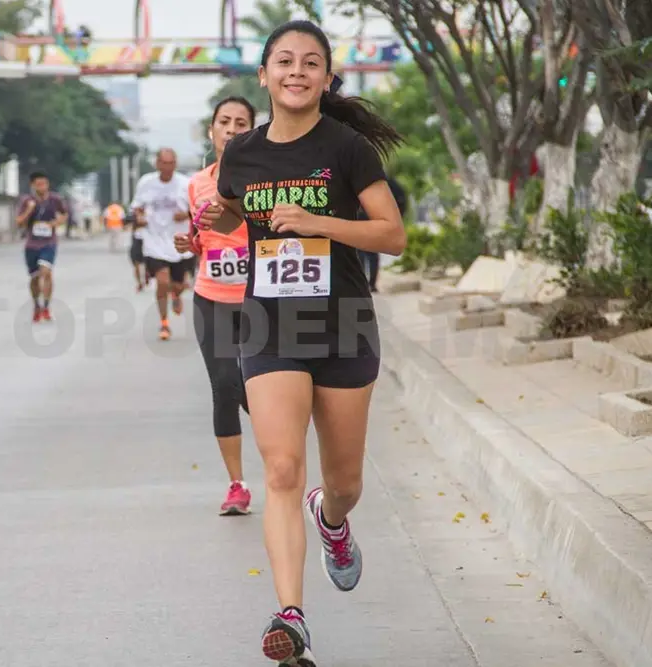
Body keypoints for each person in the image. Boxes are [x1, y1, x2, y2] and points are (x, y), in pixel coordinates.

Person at [196, 20, 405, 666]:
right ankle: (291, 615)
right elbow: (236, 207)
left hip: (341, 325)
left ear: (325, 78)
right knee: (281, 468)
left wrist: (317, 222)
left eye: (309, 62)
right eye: (282, 61)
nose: (295, 71)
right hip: (270, 325)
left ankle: (333, 522)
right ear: (263, 76)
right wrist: (216, 220)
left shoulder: (345, 149)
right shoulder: (243, 152)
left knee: (342, 481)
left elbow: (391, 234)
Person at [173, 96, 257, 516]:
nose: (231, 128)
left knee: (261, 388)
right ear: (212, 131)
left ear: (253, 131)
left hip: (259, 300)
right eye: (224, 121)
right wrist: (188, 243)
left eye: (241, 122)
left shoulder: (264, 180)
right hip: (212, 297)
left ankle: (285, 465)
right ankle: (237, 485)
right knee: (224, 386)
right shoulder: (196, 184)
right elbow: (200, 238)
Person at [131, 148, 193, 341]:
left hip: (179, 241)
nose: (167, 167)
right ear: (157, 164)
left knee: (178, 284)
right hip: (155, 240)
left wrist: (186, 215)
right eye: (163, 163)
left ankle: (176, 295)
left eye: (171, 163)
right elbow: (137, 208)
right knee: (163, 281)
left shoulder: (186, 184)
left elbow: (198, 210)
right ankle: (164, 322)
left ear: (176, 164)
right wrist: (140, 218)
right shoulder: (146, 183)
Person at [16, 171, 68, 323]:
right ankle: (36, 305)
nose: (42, 187)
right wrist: (29, 211)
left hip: (49, 242)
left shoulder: (55, 199)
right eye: (39, 184)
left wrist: (56, 223)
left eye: (44, 184)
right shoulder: (27, 200)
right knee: (34, 277)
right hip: (32, 243)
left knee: (46, 271)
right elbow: (19, 222)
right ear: (32, 185)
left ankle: (46, 306)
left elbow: (64, 214)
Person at [358, 176, 407, 292]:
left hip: (368, 222)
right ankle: (370, 284)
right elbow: (402, 201)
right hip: (370, 222)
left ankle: (367, 283)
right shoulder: (387, 183)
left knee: (363, 254)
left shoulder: (378, 183)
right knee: (368, 254)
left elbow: (401, 201)